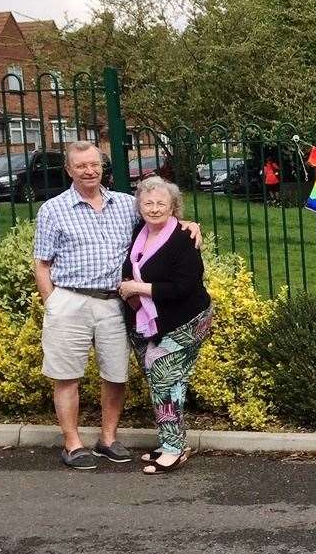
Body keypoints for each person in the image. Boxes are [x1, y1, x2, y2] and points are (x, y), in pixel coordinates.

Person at [33, 141, 201, 471]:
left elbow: (159, 218)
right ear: (69, 170)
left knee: (115, 375)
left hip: (113, 303)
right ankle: (72, 444)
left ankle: (107, 439)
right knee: (66, 377)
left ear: (102, 167)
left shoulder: (126, 205)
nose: (89, 171)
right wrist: (52, 302)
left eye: (94, 164)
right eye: (81, 166)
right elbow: (42, 263)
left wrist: (188, 224)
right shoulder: (53, 209)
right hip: (70, 300)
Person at [118, 175, 213, 475]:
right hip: (151, 322)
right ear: (140, 206)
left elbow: (183, 287)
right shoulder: (139, 233)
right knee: (168, 382)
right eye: (148, 203)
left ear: (174, 207)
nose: (155, 208)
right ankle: (173, 441)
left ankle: (173, 448)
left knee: (162, 375)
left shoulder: (184, 238)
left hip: (186, 320)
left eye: (161, 203)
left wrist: (137, 288)